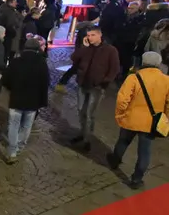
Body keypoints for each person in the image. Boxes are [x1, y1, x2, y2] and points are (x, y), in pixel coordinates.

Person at [106, 52, 169, 189]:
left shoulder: (134, 78)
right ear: (158, 64)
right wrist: (166, 118)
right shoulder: (166, 81)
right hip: (151, 123)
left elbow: (123, 99)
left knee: (123, 141)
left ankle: (115, 161)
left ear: (143, 62)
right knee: (145, 152)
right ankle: (136, 179)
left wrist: (120, 114)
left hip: (131, 118)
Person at [70, 26, 120, 152]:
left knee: (90, 114)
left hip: (97, 87)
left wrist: (105, 81)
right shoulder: (87, 48)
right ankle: (83, 133)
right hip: (83, 84)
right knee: (81, 110)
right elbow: (74, 58)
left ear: (100, 35)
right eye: (88, 35)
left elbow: (114, 69)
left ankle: (88, 139)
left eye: (92, 35)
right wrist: (83, 48)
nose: (89, 38)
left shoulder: (110, 50)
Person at [1, 39, 49, 164]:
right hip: (33, 101)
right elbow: (45, 84)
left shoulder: (15, 62)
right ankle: (19, 148)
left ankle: (12, 152)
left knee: (13, 125)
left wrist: (13, 88)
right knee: (26, 126)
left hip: (16, 99)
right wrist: (42, 101)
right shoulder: (42, 63)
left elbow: (5, 79)